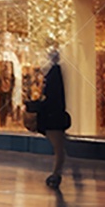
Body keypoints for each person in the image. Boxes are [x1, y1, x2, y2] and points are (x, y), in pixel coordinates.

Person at [34, 48, 70, 189]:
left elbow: (53, 97)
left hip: (53, 117)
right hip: (54, 116)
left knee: (58, 148)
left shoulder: (53, 74)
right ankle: (57, 172)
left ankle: (56, 173)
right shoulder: (55, 73)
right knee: (59, 147)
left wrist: (41, 105)